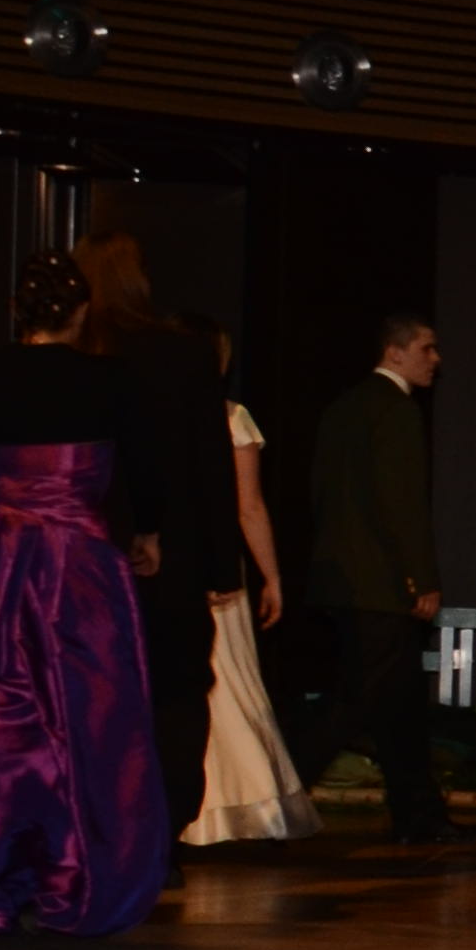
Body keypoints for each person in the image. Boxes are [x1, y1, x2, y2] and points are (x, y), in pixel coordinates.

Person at [0, 254, 176, 937]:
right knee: (91, 716)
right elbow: (146, 467)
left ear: (19, 313)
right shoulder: (110, 379)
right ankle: (83, 870)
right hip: (80, 568)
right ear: (81, 312)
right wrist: (149, 533)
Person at [73, 235, 235, 865]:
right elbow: (211, 462)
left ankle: (103, 831)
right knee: (178, 693)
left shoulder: (79, 356)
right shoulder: (183, 353)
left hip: (90, 554)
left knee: (101, 697)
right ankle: (164, 831)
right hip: (178, 558)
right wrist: (222, 563)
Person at [304, 314, 456, 844]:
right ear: (395, 352)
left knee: (401, 705)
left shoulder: (343, 407)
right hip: (381, 585)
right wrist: (421, 578)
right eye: (426, 348)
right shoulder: (397, 411)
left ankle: (421, 815)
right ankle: (280, 791)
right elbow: (402, 504)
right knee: (357, 702)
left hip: (345, 579)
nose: (435, 359)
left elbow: (323, 494)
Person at [188, 346, 316, 846]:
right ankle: (236, 803)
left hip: (172, 565)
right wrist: (273, 577)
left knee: (199, 680)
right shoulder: (231, 418)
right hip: (217, 566)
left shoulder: (153, 411)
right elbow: (250, 507)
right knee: (224, 679)